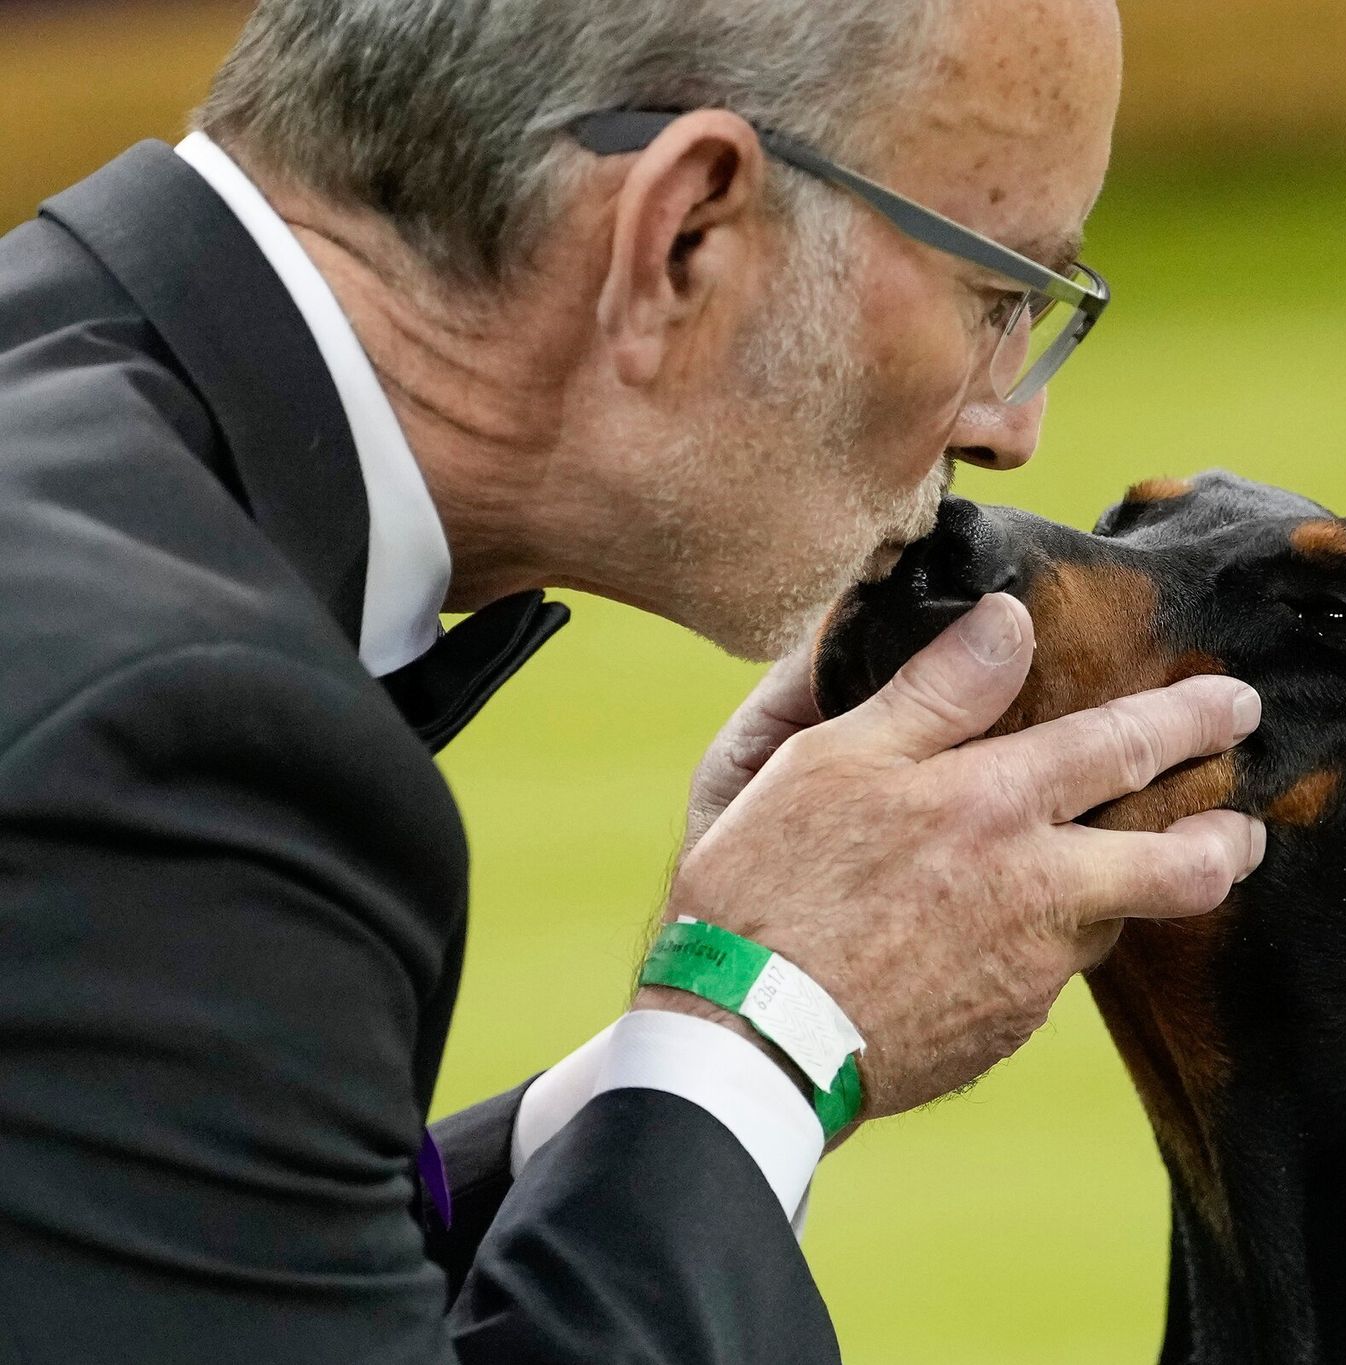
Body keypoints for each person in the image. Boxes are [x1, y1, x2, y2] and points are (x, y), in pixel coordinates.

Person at [0, 1, 1268, 1361]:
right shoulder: (164, 725)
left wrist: (666, 1065)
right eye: (997, 290)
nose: (1009, 424)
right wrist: (770, 1022)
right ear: (684, 236)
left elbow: (192, 1269)